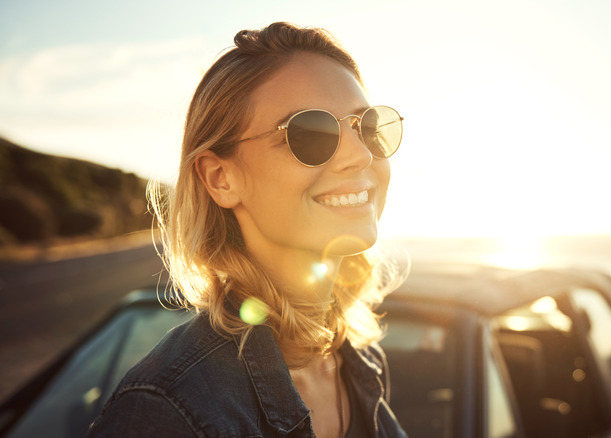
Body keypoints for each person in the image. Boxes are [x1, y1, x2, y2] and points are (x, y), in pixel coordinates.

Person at [87, 22, 407, 438]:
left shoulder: (358, 360)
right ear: (220, 177)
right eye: (310, 133)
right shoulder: (167, 411)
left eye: (368, 127)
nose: (360, 155)